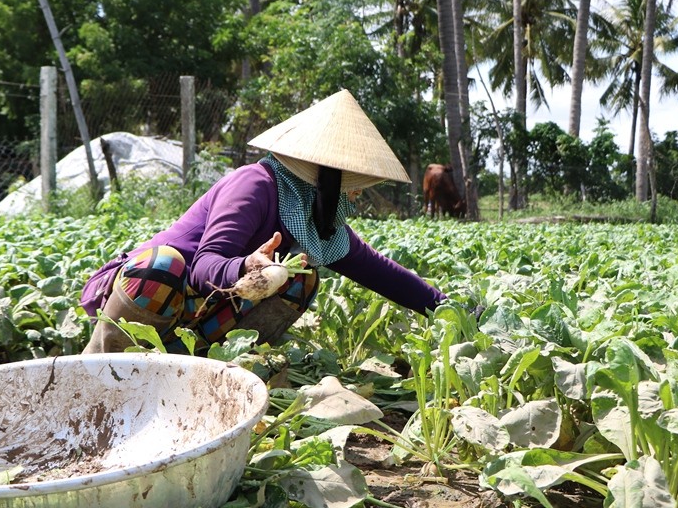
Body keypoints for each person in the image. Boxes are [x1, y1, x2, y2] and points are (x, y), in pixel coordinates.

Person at [80, 89, 449, 354]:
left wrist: (450, 309)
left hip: (199, 314)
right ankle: (104, 369)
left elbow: (381, 272)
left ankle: (213, 367)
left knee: (300, 279)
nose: (356, 196)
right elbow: (203, 265)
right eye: (353, 186)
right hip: (150, 297)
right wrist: (247, 266)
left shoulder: (311, 216)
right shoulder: (255, 184)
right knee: (163, 265)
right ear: (328, 179)